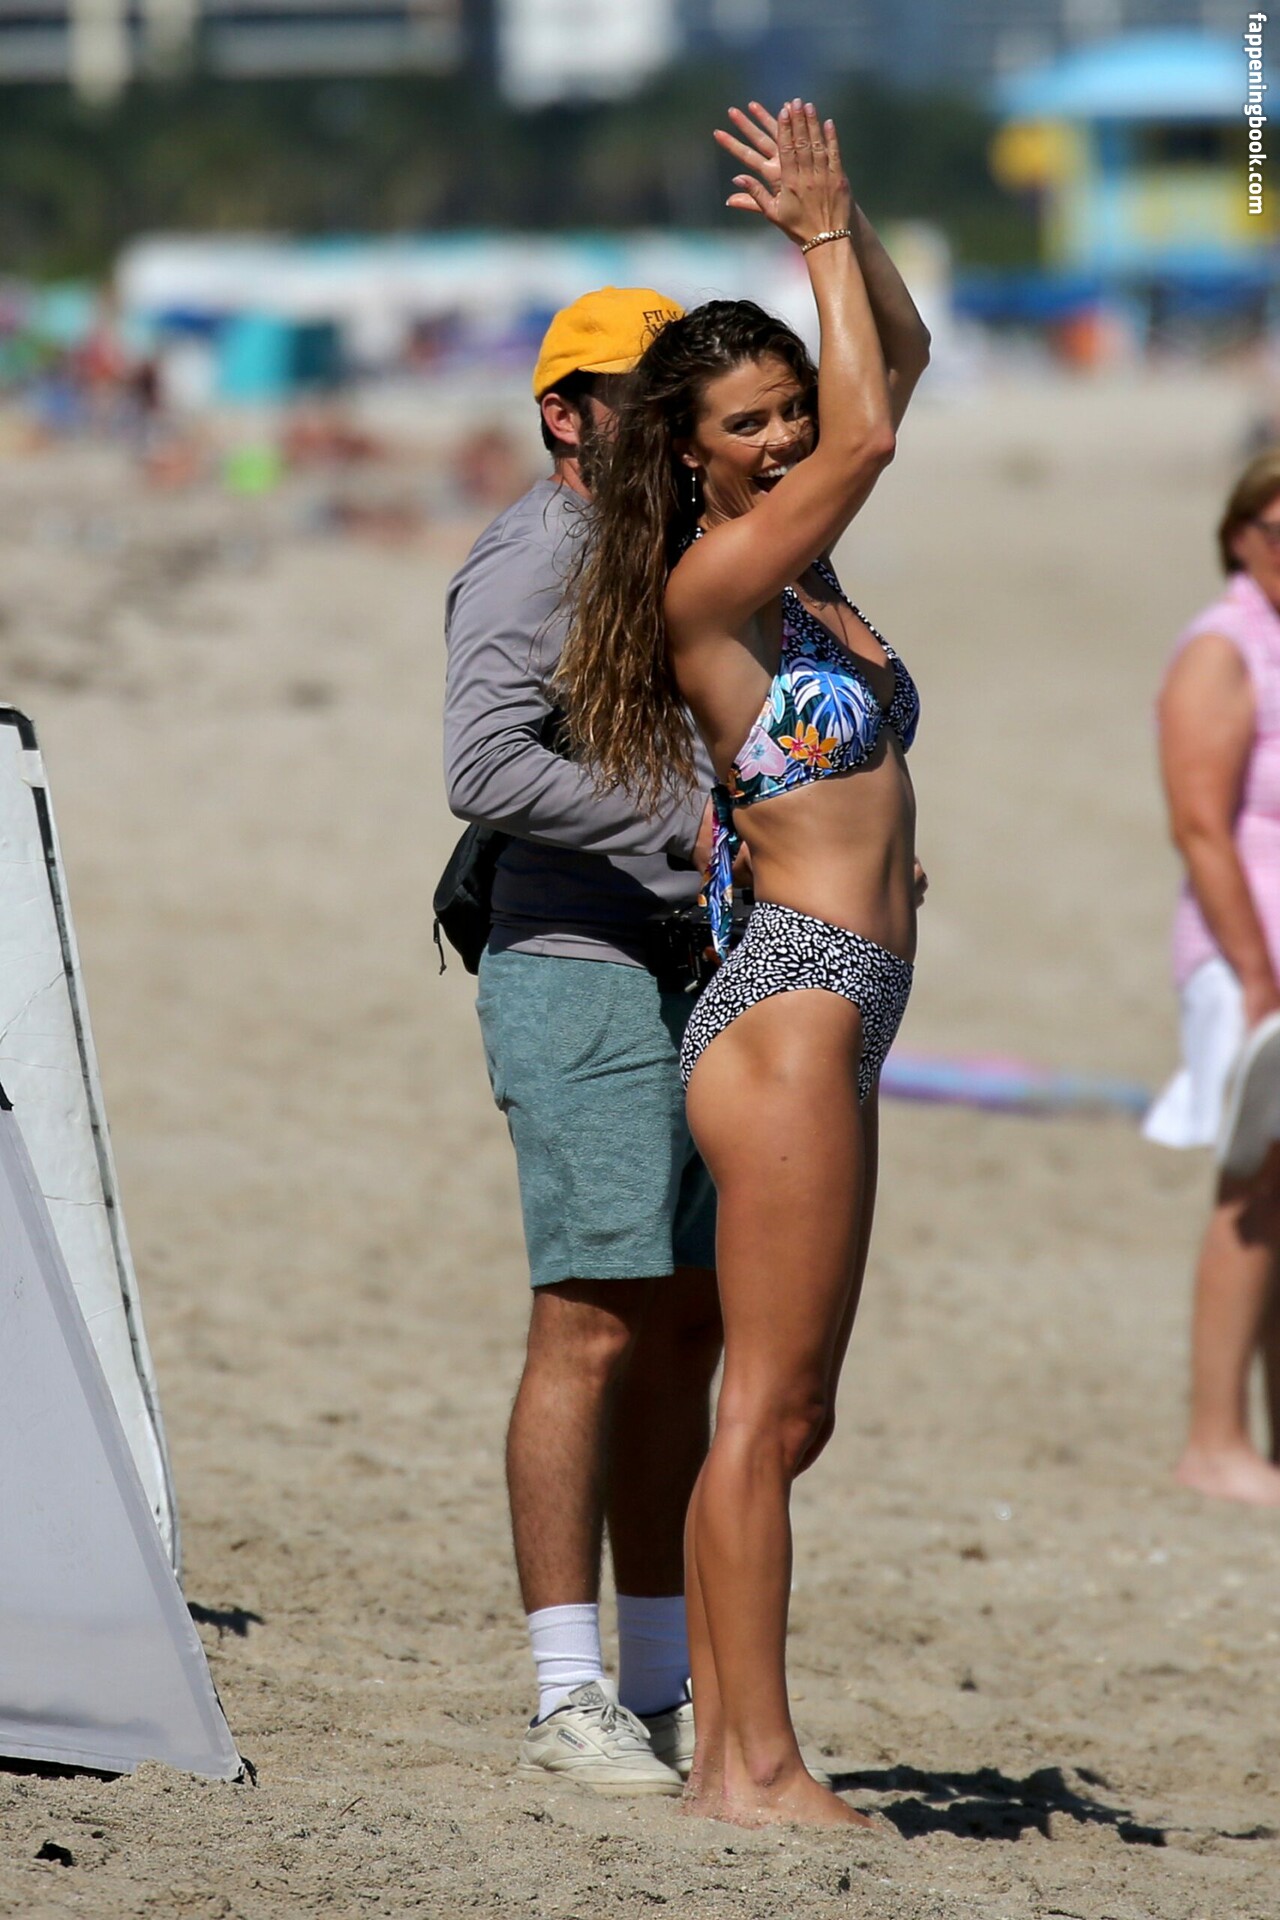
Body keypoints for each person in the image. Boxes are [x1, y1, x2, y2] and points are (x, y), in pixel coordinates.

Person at [556, 101, 931, 1827]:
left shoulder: (813, 576)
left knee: (797, 1415)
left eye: (791, 410)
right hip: (787, 1002)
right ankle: (750, 1766)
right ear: (690, 457)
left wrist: (849, 239)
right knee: (765, 1411)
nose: (786, 440)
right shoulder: (713, 583)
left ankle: (732, 1754)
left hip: (843, 1002)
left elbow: (893, 372)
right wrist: (817, 237)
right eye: (748, 424)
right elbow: (875, 428)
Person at [442, 287, 726, 1794]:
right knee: (591, 1323)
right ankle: (566, 1694)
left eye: (684, 394)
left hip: (705, 969)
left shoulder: (689, 539)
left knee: (687, 1327)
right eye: (640, 395)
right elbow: (481, 764)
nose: (668, 421)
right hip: (575, 965)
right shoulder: (537, 549)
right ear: (564, 413)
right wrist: (684, 828)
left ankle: (664, 1684)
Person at [1144, 447, 1280, 1506]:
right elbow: (1198, 825)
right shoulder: (1220, 649)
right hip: (1246, 955)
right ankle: (1212, 1441)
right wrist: (1253, 973)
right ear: (1240, 536)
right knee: (1252, 1186)